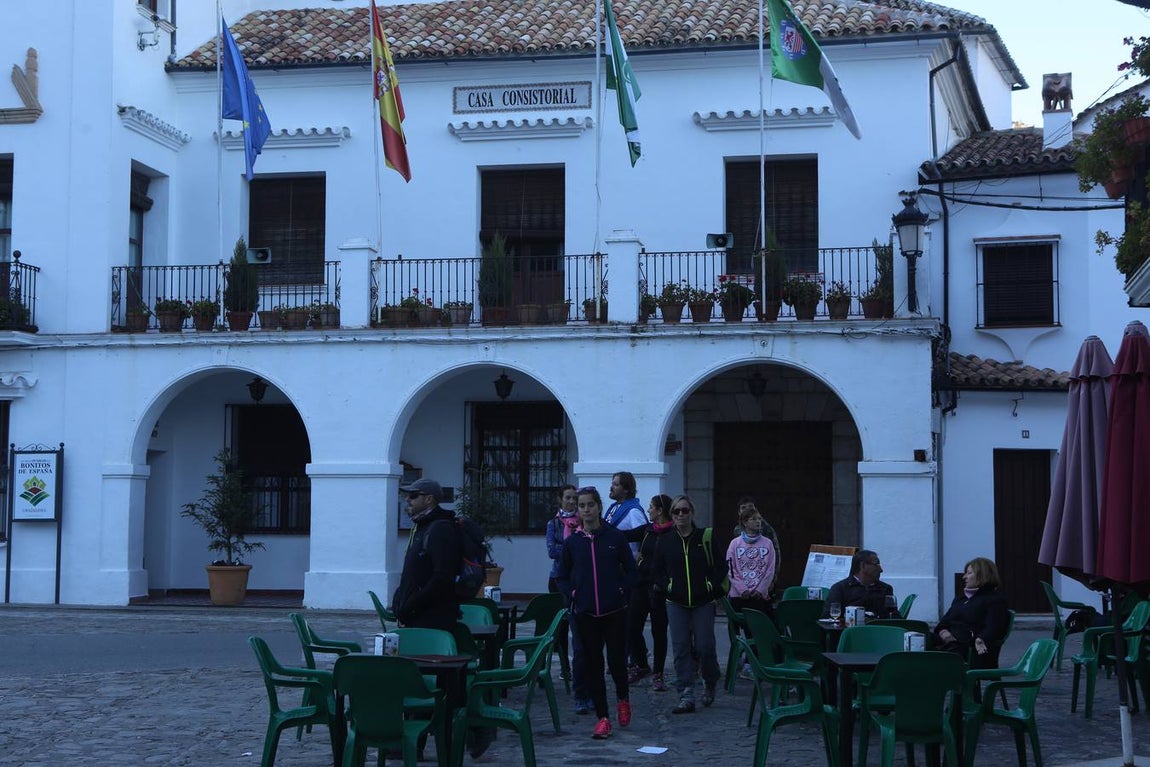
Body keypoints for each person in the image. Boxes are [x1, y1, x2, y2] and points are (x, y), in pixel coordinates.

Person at [556, 486, 638, 740]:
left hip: (614, 611)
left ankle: (623, 699)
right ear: (577, 510)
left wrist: (623, 591)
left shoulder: (615, 538)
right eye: (581, 506)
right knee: (593, 665)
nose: (586, 510)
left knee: (616, 664)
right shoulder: (572, 543)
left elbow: (632, 570)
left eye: (590, 505)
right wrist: (573, 594)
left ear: (599, 507)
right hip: (586, 613)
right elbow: (562, 576)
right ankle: (602, 718)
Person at [653, 494, 727, 714]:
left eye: (685, 510)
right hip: (676, 602)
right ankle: (686, 693)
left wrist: (709, 586)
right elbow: (656, 572)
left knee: (705, 646)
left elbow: (721, 567)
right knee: (681, 647)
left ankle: (710, 680)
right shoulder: (665, 541)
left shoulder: (705, 537)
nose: (681, 515)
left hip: (703, 601)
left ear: (691, 512)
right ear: (672, 515)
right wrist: (668, 586)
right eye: (676, 511)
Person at [390, 478, 461, 632]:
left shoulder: (440, 529)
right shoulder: (422, 527)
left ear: (429, 499)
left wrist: (412, 604)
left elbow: (442, 576)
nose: (407, 499)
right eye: (407, 496)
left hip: (432, 619)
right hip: (417, 616)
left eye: (413, 495)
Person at [544, 484, 588, 710]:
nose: (572, 502)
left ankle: (580, 668)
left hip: (578, 578)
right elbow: (552, 550)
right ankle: (564, 667)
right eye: (568, 498)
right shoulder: (553, 523)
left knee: (577, 623)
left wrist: (568, 545)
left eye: (575, 498)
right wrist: (572, 546)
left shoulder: (582, 521)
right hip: (559, 578)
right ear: (560, 500)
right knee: (560, 625)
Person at [603, 471, 650, 676]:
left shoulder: (633, 511)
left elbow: (643, 533)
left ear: (627, 489)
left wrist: (617, 538)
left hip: (628, 571)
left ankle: (638, 661)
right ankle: (629, 659)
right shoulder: (614, 508)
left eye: (615, 484)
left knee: (629, 620)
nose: (611, 487)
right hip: (615, 571)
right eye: (612, 484)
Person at [626, 494, 674, 691]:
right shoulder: (648, 530)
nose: (648, 510)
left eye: (651, 507)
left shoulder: (673, 533)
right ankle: (641, 664)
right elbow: (625, 535)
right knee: (631, 626)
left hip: (660, 589)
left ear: (660, 510)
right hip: (641, 584)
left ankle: (659, 673)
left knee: (659, 631)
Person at [933, 557, 1010, 669]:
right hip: (948, 642)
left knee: (937, 657)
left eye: (969, 573)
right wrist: (944, 632)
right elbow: (944, 621)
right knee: (918, 638)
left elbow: (994, 628)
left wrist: (980, 639)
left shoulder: (995, 600)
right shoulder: (961, 598)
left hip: (969, 649)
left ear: (982, 575)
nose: (964, 577)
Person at [823, 549, 897, 619]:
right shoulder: (840, 589)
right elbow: (828, 617)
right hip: (850, 631)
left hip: (879, 631)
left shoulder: (885, 589)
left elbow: (894, 616)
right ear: (863, 565)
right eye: (876, 564)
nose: (881, 570)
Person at [735, 496, 782, 598]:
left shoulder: (766, 530)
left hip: (762, 580)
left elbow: (776, 555)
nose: (748, 510)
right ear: (739, 512)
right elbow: (734, 562)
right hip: (743, 582)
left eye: (751, 507)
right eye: (744, 508)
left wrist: (773, 579)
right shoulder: (737, 532)